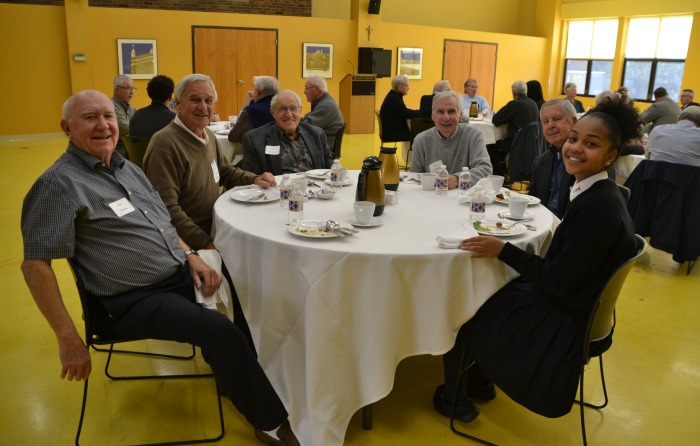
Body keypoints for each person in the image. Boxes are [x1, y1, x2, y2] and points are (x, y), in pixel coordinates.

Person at [20, 90, 300, 446]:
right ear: (66, 128)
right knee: (219, 330)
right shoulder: (58, 184)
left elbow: (162, 222)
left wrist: (191, 256)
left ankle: (238, 377)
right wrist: (68, 338)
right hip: (131, 299)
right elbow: (35, 265)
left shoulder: (124, 167)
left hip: (175, 271)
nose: (104, 125)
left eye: (108, 116)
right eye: (90, 118)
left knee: (245, 284)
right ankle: (271, 422)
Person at [434, 98, 640, 424]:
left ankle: (454, 398)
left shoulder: (597, 210)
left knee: (465, 305)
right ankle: (480, 382)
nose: (575, 148)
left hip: (564, 319)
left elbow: (557, 281)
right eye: (574, 139)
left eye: (591, 144)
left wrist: (502, 249)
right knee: (489, 291)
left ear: (611, 156)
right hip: (578, 302)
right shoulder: (598, 194)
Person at [410, 91, 492, 187]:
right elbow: (414, 178)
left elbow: (485, 169)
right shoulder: (421, 141)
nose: (446, 117)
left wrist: (457, 179)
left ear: (460, 115)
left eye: (451, 111)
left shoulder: (473, 135)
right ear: (433, 115)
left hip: (464, 197)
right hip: (432, 197)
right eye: (440, 112)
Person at [242, 90, 333, 175]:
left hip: (315, 189)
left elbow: (330, 169)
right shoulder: (255, 140)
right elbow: (253, 181)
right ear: (273, 112)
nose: (289, 114)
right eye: (282, 109)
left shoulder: (317, 134)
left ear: (300, 110)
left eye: (293, 108)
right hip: (279, 190)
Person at [529, 99, 577, 219]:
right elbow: (533, 201)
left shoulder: (585, 160)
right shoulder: (540, 162)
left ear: (574, 122)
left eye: (557, 119)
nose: (551, 125)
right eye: (545, 122)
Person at [490, 80, 539, 176]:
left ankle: (500, 175)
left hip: (516, 143)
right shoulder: (533, 103)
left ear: (514, 93)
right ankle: (505, 172)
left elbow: (496, 119)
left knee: (490, 145)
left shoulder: (515, 104)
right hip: (532, 144)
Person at [229, 76, 280, 143]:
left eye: (254, 89)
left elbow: (233, 137)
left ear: (258, 92)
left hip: (258, 151)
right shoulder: (283, 108)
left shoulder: (252, 110)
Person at [300, 75, 345, 152]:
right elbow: (307, 118)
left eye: (306, 88)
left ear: (316, 90)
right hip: (320, 145)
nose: (304, 92)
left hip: (323, 150)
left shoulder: (326, 106)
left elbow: (305, 127)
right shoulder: (323, 102)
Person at [379, 75, 421, 142]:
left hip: (391, 131)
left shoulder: (393, 96)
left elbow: (403, 111)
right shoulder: (394, 98)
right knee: (420, 135)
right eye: (407, 86)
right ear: (399, 87)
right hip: (393, 134)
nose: (408, 88)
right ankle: (414, 152)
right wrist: (421, 112)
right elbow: (406, 113)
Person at [111, 74, 137, 157]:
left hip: (129, 147)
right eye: (128, 88)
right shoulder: (110, 106)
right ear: (117, 90)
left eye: (133, 88)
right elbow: (127, 129)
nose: (132, 92)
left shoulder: (131, 108)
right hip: (116, 150)